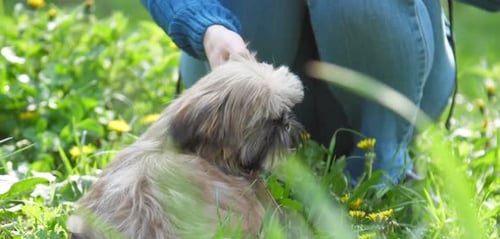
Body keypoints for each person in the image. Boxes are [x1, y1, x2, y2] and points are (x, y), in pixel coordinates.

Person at [141, 0, 500, 185]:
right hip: (231, 50)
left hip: (397, 73)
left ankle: (380, 178)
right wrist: (206, 26)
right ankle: (235, 175)